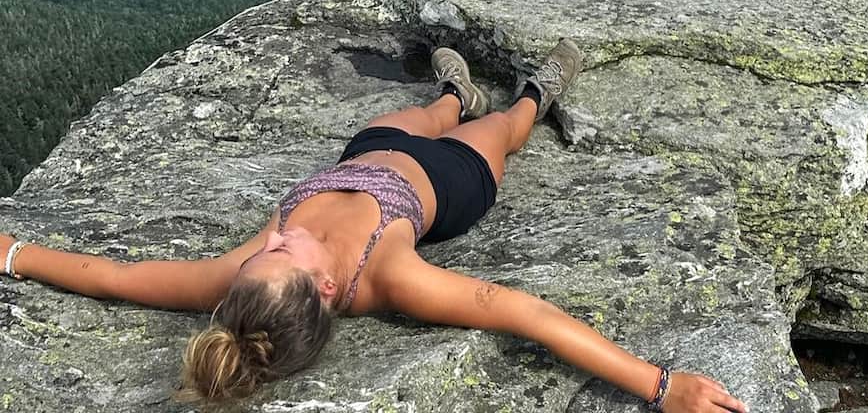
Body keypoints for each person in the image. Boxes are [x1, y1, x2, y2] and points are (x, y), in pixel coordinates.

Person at [1, 40, 747, 412]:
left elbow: (115, 278)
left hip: (365, 154)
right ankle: (534, 96)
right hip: (443, 188)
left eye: (263, 249)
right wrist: (660, 386)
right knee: (501, 133)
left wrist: (13, 254)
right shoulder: (389, 277)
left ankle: (452, 92)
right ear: (327, 286)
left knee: (423, 114)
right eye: (279, 249)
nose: (267, 239)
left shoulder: (243, 281)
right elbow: (525, 315)